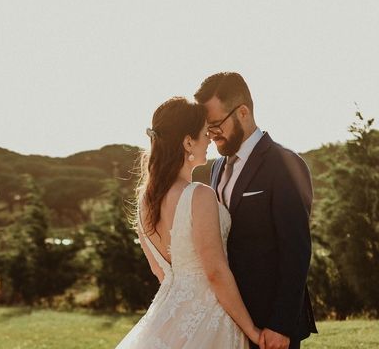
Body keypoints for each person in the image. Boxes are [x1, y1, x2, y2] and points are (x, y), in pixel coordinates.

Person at [116, 97, 258, 349]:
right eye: (205, 133)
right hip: (210, 318)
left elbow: (160, 272)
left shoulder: (144, 203)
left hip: (166, 318)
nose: (210, 142)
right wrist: (252, 331)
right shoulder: (198, 195)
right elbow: (215, 272)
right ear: (188, 141)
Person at [194, 72, 317, 349]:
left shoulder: (285, 164)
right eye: (208, 128)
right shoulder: (215, 168)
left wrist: (280, 324)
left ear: (243, 112)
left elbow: (297, 251)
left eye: (216, 125)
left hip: (269, 325)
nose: (212, 136)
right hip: (228, 320)